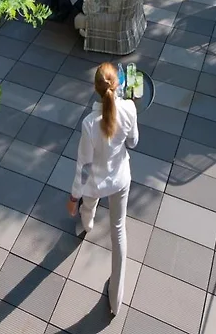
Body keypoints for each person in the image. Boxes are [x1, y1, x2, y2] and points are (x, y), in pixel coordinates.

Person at [67, 63, 139, 318]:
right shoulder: (129, 109)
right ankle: (116, 299)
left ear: (95, 89)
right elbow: (134, 142)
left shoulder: (89, 123)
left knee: (88, 204)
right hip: (120, 180)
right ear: (118, 85)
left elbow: (84, 166)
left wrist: (74, 196)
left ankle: (87, 225)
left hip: (95, 184)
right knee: (118, 230)